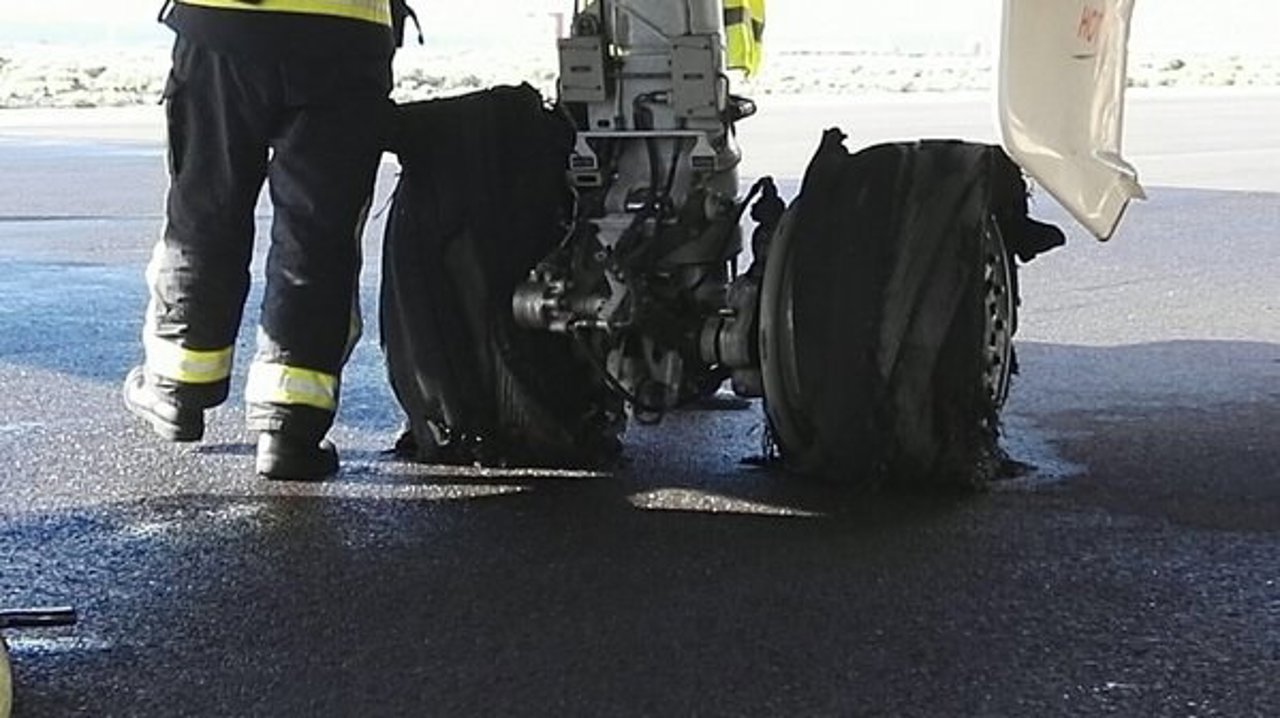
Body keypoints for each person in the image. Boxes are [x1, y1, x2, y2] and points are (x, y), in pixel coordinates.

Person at [123, 0, 397, 480]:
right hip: (350, 33)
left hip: (226, 24)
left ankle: (176, 389)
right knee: (319, 235)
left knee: (207, 210)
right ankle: (290, 427)